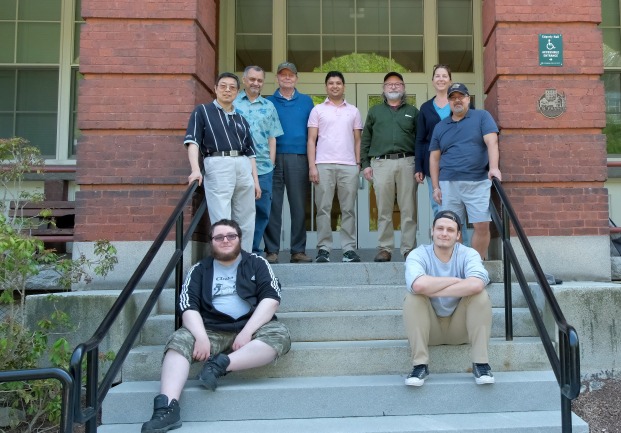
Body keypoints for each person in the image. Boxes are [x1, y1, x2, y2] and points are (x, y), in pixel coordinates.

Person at [141, 219, 291, 433]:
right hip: (211, 328)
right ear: (211, 242)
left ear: (240, 239)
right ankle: (167, 408)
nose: (225, 240)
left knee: (279, 334)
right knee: (179, 340)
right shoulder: (199, 269)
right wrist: (201, 337)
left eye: (231, 236)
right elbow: (187, 305)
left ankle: (219, 365)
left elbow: (272, 298)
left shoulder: (257, 263)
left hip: (252, 326)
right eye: (219, 237)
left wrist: (247, 332)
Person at [403, 210, 493, 387]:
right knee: (413, 297)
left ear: (458, 235)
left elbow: (476, 284)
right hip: (429, 330)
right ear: (432, 231)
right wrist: (455, 281)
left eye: (450, 230)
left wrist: (433, 288)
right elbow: (418, 286)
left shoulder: (469, 254)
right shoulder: (418, 254)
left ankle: (481, 364)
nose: (444, 233)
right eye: (440, 228)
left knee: (480, 296)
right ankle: (419, 365)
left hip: (461, 329)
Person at [184, 72, 260, 253]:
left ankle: (245, 261)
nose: (228, 90)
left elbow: (251, 152)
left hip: (242, 165)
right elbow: (192, 142)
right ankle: (225, 263)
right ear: (216, 89)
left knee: (247, 218)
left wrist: (255, 181)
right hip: (218, 163)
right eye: (223, 86)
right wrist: (195, 170)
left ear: (237, 92)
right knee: (222, 218)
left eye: (232, 87)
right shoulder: (202, 111)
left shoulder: (241, 119)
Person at [429, 83, 501, 260]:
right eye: (453, 98)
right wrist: (436, 187)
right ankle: (458, 266)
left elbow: (492, 143)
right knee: (451, 227)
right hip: (448, 183)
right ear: (448, 102)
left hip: (477, 181)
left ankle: (477, 265)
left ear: (468, 99)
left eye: (461, 97)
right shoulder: (440, 126)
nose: (457, 100)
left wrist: (493, 168)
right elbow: (434, 158)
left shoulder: (482, 117)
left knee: (482, 225)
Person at [360, 72, 419, 262]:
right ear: (383, 89)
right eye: (389, 84)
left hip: (408, 162)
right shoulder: (375, 111)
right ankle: (385, 248)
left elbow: (420, 140)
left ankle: (408, 249)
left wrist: (421, 166)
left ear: (403, 88)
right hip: (381, 163)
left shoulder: (413, 111)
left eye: (398, 84)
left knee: (408, 208)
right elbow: (365, 140)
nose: (393, 87)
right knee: (383, 209)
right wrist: (366, 164)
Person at [307, 71, 363, 263]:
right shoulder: (317, 110)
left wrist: (357, 164)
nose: (335, 86)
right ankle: (324, 248)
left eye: (338, 83)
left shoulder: (353, 111)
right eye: (331, 83)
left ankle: (348, 249)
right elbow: (311, 140)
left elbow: (358, 141)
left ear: (344, 86)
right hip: (323, 164)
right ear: (326, 87)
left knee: (348, 209)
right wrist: (312, 166)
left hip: (349, 166)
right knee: (323, 209)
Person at [264, 62, 315, 264]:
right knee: (273, 205)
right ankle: (272, 250)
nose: (287, 78)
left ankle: (298, 250)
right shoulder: (268, 102)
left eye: (291, 75)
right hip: (272, 158)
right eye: (283, 75)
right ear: (277, 78)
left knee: (298, 206)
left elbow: (313, 133)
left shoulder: (307, 101)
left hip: (299, 157)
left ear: (296, 78)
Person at [234, 66, 284, 254]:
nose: (256, 83)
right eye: (252, 79)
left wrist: (271, 163)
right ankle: (236, 250)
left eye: (260, 80)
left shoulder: (268, 106)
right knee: (238, 209)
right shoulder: (234, 102)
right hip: (238, 165)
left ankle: (252, 250)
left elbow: (273, 137)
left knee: (262, 211)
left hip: (263, 168)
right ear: (244, 80)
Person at [415, 64, 452, 218]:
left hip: (456, 162)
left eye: (444, 76)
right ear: (432, 80)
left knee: (456, 209)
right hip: (432, 165)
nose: (441, 79)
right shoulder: (425, 108)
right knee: (438, 206)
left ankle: (460, 243)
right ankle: (442, 242)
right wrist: (418, 167)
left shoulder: (459, 103)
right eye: (437, 76)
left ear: (450, 80)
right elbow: (420, 139)